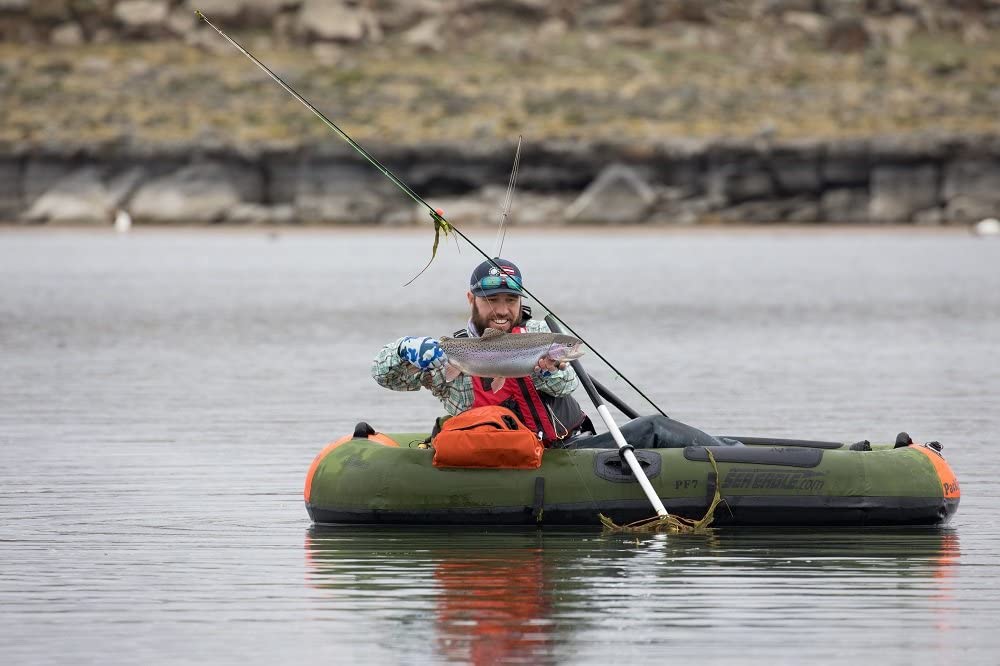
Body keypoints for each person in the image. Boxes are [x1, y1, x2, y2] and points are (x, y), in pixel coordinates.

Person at [371, 257, 737, 449]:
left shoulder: (538, 336)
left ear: (520, 301)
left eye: (510, 300)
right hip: (491, 459)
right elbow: (384, 375)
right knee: (654, 427)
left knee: (650, 428)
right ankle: (728, 455)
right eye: (491, 300)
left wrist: (545, 370)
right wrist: (404, 350)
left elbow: (563, 387)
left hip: (560, 449)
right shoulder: (447, 352)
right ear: (472, 300)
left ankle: (728, 450)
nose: (501, 310)